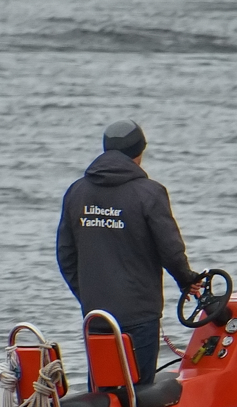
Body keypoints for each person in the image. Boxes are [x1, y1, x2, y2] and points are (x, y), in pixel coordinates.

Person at [56, 119, 201, 385]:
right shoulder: (150, 193)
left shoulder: (77, 192)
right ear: (139, 152)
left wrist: (89, 294)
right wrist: (186, 280)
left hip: (96, 315)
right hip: (139, 316)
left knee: (103, 387)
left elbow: (65, 256)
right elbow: (170, 250)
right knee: (139, 392)